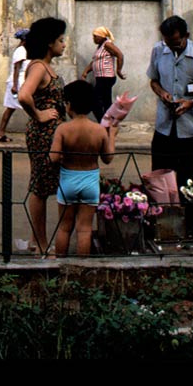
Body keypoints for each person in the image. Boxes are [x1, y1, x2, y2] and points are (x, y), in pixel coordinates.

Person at [147, 15, 193, 188]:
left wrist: (192, 102)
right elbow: (153, 81)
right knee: (160, 180)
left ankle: (188, 215)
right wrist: (163, 93)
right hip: (164, 128)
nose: (172, 48)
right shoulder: (158, 50)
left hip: (190, 130)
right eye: (168, 43)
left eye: (176, 43)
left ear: (186, 35)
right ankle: (164, 214)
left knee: (188, 182)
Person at [49, 80, 118, 257]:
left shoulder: (63, 129)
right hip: (90, 182)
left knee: (64, 227)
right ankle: (83, 269)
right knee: (85, 229)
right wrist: (112, 136)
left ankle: (60, 265)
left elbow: (54, 157)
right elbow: (108, 158)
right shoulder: (99, 130)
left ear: (69, 105)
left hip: (68, 180)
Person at [18, 17, 68, 256]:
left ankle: (36, 239)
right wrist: (38, 115)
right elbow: (24, 96)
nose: (64, 44)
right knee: (40, 187)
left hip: (52, 133)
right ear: (50, 43)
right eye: (61, 40)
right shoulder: (38, 67)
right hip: (43, 134)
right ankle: (40, 243)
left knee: (47, 185)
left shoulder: (46, 66)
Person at [80, 26, 126, 123]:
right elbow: (94, 62)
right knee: (106, 101)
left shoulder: (107, 44)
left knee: (94, 100)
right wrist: (85, 72)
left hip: (106, 77)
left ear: (102, 36)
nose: (94, 39)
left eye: (95, 36)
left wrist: (119, 70)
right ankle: (109, 122)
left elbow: (120, 55)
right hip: (101, 78)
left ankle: (103, 122)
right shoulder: (100, 47)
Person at [0, 28, 30, 142]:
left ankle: (0, 133)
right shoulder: (21, 51)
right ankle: (0, 133)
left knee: (11, 109)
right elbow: (16, 68)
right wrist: (15, 86)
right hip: (19, 83)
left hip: (21, 82)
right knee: (26, 107)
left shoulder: (24, 50)